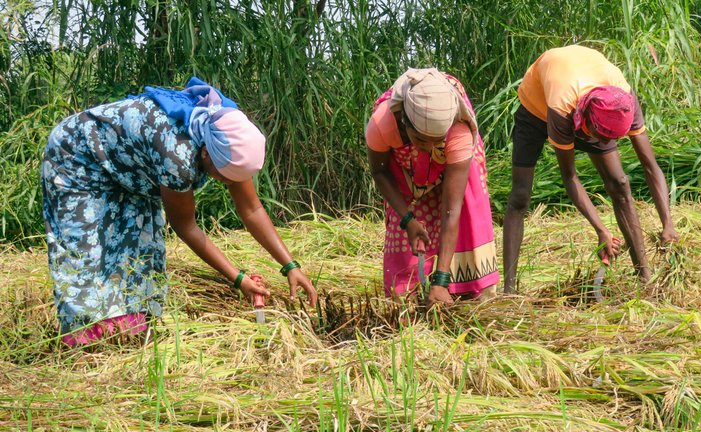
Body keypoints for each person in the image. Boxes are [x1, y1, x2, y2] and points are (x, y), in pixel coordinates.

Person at [42, 77, 317, 347]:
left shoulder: (229, 136)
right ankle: (85, 341)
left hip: (128, 165)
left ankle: (128, 334)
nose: (230, 185)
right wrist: (238, 278)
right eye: (225, 178)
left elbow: (251, 209)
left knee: (140, 247)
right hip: (78, 158)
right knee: (87, 251)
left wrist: (290, 266)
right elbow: (186, 227)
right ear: (206, 154)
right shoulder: (178, 157)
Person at [503, 45, 680, 293]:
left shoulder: (624, 100)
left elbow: (650, 165)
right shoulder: (562, 107)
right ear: (584, 120)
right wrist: (602, 230)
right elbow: (570, 176)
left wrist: (667, 223)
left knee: (619, 184)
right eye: (600, 137)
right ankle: (509, 292)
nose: (606, 144)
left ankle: (645, 279)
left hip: (589, 101)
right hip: (536, 105)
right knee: (520, 196)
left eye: (612, 139)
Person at [365, 68, 500, 307]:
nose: (427, 149)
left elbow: (452, 209)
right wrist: (408, 220)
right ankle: (407, 296)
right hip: (405, 172)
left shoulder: (458, 130)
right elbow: (380, 171)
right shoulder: (383, 124)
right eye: (420, 141)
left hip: (454, 158)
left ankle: (460, 291)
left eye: (435, 142)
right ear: (406, 123)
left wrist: (441, 279)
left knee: (468, 210)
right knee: (404, 233)